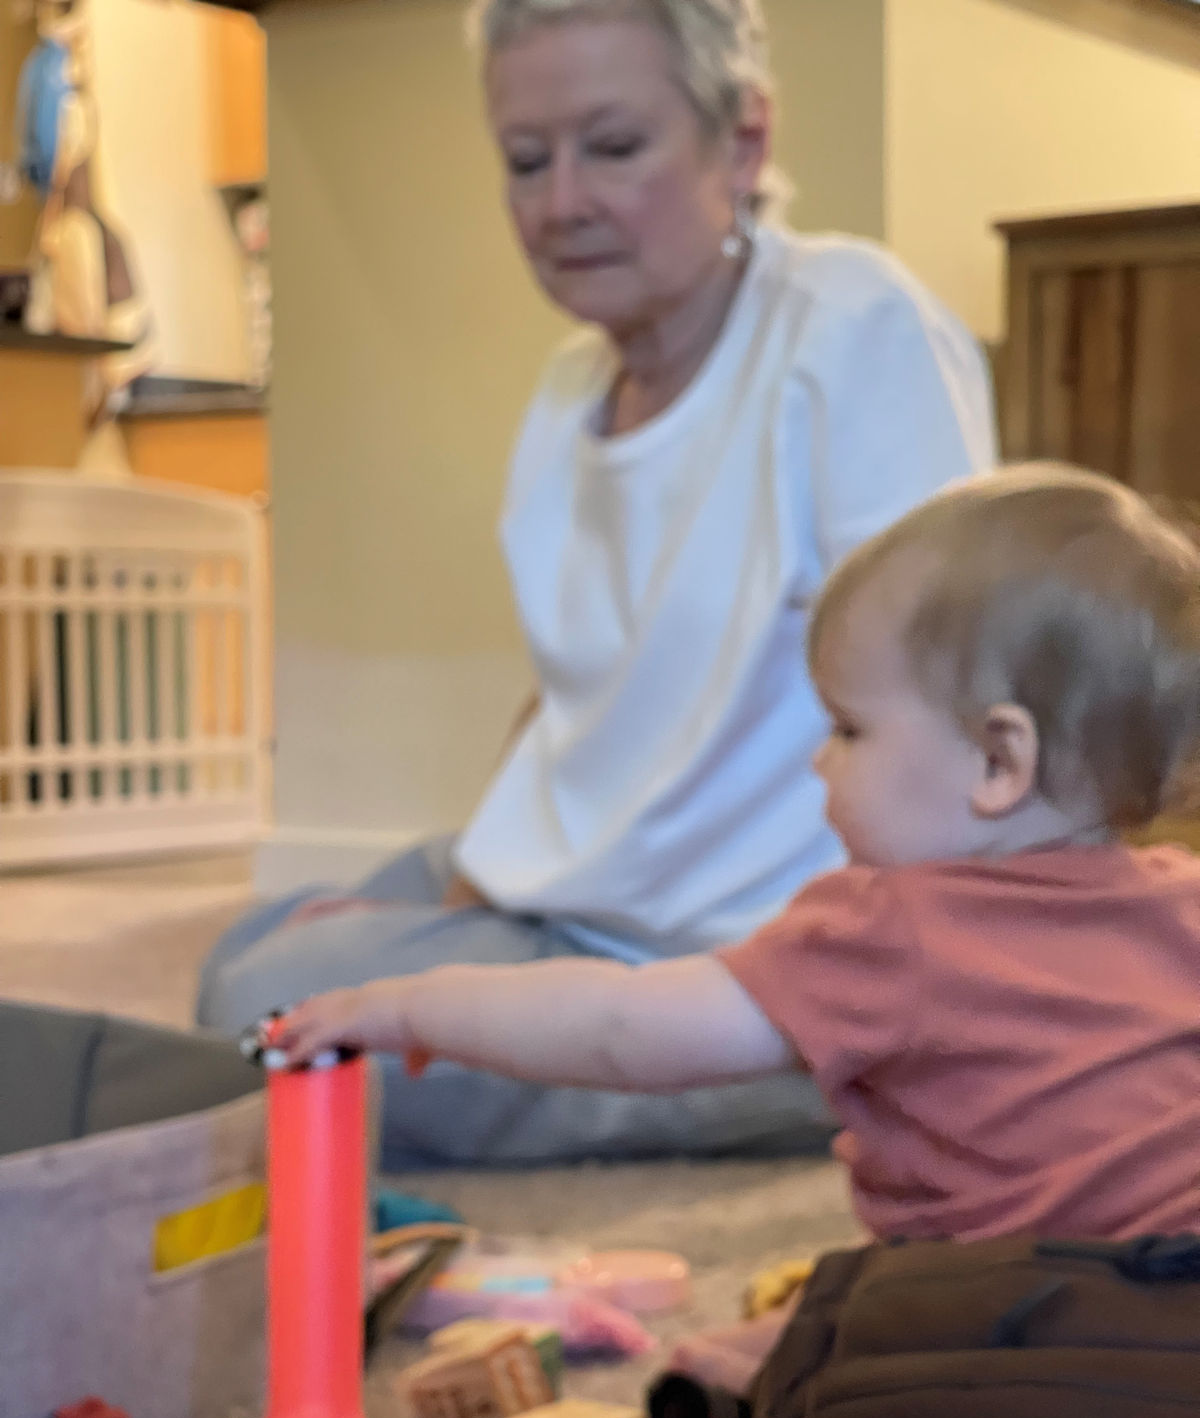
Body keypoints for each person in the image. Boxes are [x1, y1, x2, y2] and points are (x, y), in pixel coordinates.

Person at [198, 0, 996, 1169]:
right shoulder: (570, 389)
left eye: (614, 147)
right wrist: (470, 896)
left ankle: (779, 1076)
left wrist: (882, 1005)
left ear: (744, 141)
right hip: (579, 892)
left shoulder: (852, 329)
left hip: (729, 953)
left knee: (266, 1009)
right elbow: (572, 701)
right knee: (250, 949)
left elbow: (957, 696)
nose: (562, 201)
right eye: (528, 160)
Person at [272, 464, 1200, 1240]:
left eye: (849, 729)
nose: (818, 759)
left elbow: (621, 1029)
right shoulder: (1182, 896)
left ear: (999, 762)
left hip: (1028, 1324)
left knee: (782, 1370)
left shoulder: (890, 929)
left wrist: (416, 1008)